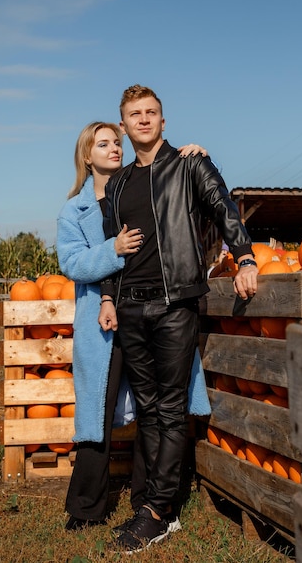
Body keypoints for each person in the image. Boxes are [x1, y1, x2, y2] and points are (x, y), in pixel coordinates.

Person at [99, 84, 258, 553]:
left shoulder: (189, 164)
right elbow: (112, 249)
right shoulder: (118, 184)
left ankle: (159, 511)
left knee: (169, 408)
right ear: (124, 126)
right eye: (134, 114)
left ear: (162, 122)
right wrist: (109, 296)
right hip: (131, 304)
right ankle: (152, 502)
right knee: (147, 408)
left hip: (173, 303)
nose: (143, 120)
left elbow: (224, 208)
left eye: (151, 112)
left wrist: (246, 257)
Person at [56, 121, 210, 530]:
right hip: (103, 325)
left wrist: (187, 156)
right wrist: (113, 250)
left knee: (152, 408)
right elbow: (70, 263)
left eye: (116, 142)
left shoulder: (138, 189)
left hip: (148, 315)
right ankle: (86, 506)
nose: (114, 148)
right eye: (102, 144)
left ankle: (147, 500)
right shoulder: (76, 209)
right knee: (98, 412)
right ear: (87, 156)